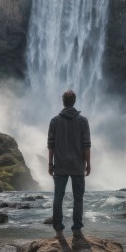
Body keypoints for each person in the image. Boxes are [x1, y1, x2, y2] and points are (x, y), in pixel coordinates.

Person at [48, 90, 91, 238]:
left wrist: (50, 163)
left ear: (63, 101)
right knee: (78, 198)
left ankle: (58, 227)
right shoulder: (83, 121)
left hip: (59, 164)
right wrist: (88, 164)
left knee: (58, 197)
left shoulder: (54, 121)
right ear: (74, 101)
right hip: (78, 165)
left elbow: (51, 145)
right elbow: (86, 145)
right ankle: (77, 227)